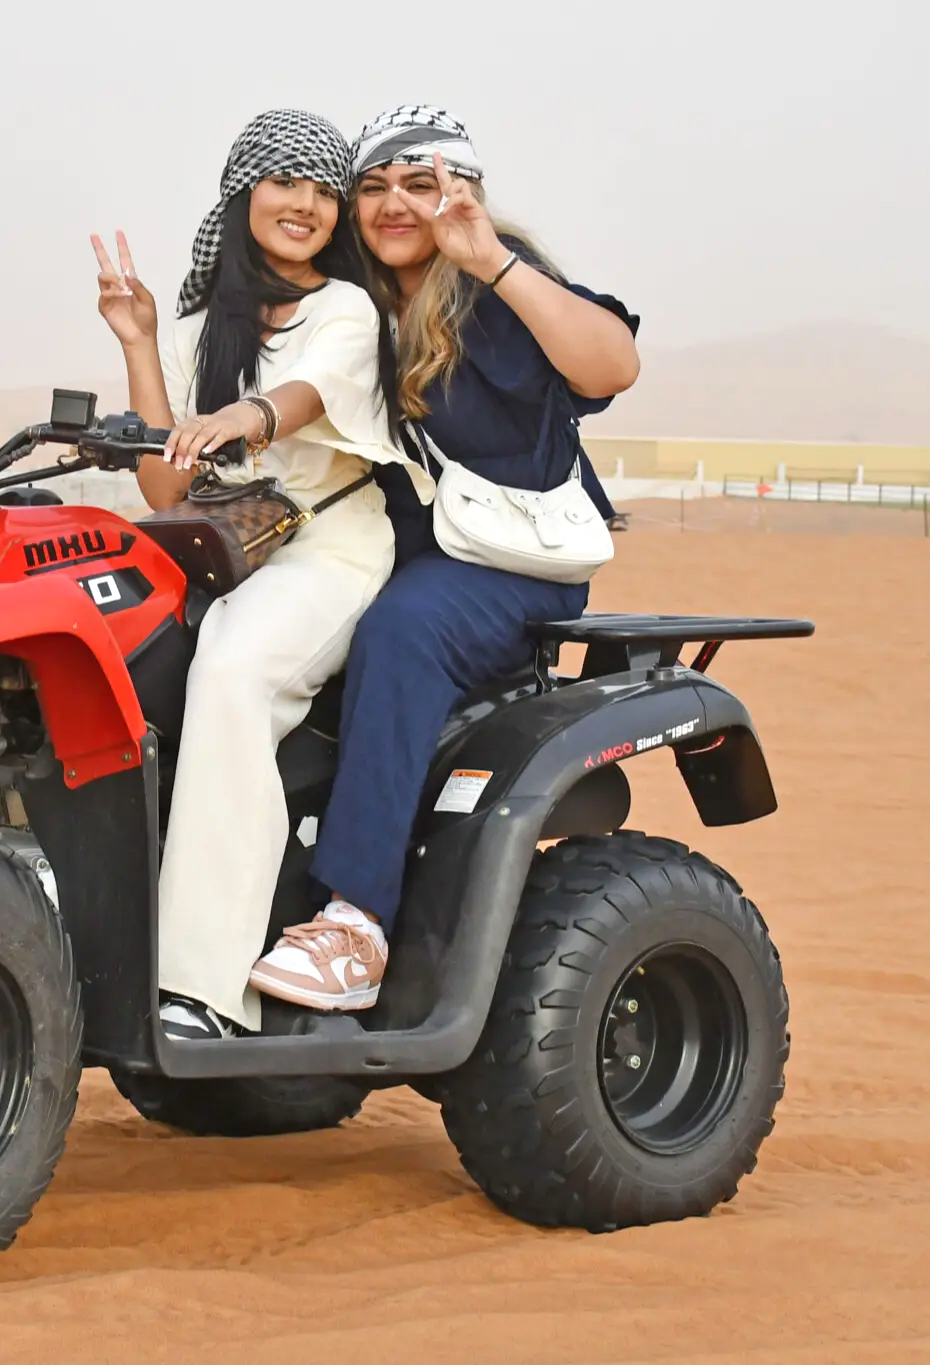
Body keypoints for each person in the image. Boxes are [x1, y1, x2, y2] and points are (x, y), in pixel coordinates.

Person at [91, 109, 414, 1040]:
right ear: (243, 195)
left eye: (323, 190)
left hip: (328, 549)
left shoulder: (346, 309)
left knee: (232, 672)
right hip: (220, 550)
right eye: (284, 182)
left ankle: (203, 991)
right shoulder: (203, 329)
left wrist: (248, 418)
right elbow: (164, 485)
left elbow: (305, 395)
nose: (305, 204)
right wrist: (139, 340)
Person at [311, 106, 642, 960]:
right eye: (374, 187)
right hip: (398, 548)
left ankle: (355, 923)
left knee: (403, 630)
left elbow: (612, 364)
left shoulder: (491, 283)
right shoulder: (352, 303)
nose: (394, 203)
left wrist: (490, 259)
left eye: (418, 183)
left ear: (459, 192)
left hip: (510, 565)